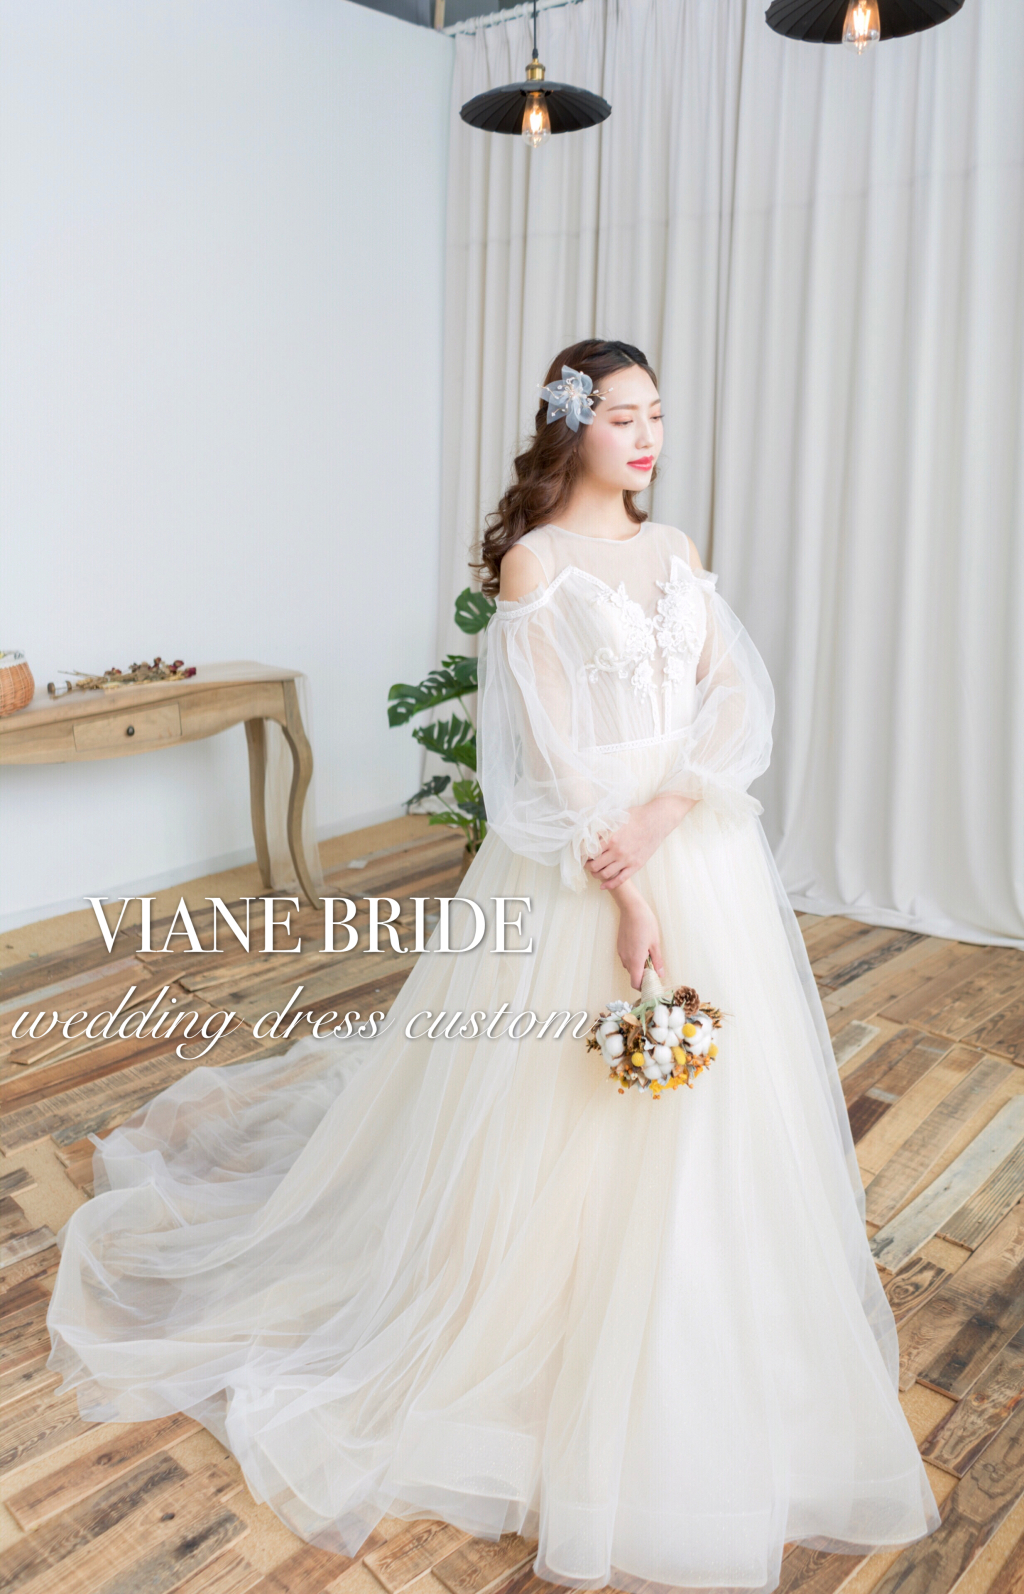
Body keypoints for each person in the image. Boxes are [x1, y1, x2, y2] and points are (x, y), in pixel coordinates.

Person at [46, 338, 940, 1594]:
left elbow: (735, 698)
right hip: (586, 864)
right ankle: (540, 1312)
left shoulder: (675, 549)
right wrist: (624, 883)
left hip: (692, 845)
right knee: (566, 1098)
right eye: (621, 416)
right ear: (570, 425)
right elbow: (551, 755)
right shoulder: (538, 563)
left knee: (720, 1101)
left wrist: (667, 814)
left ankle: (704, 1321)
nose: (646, 437)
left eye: (656, 414)